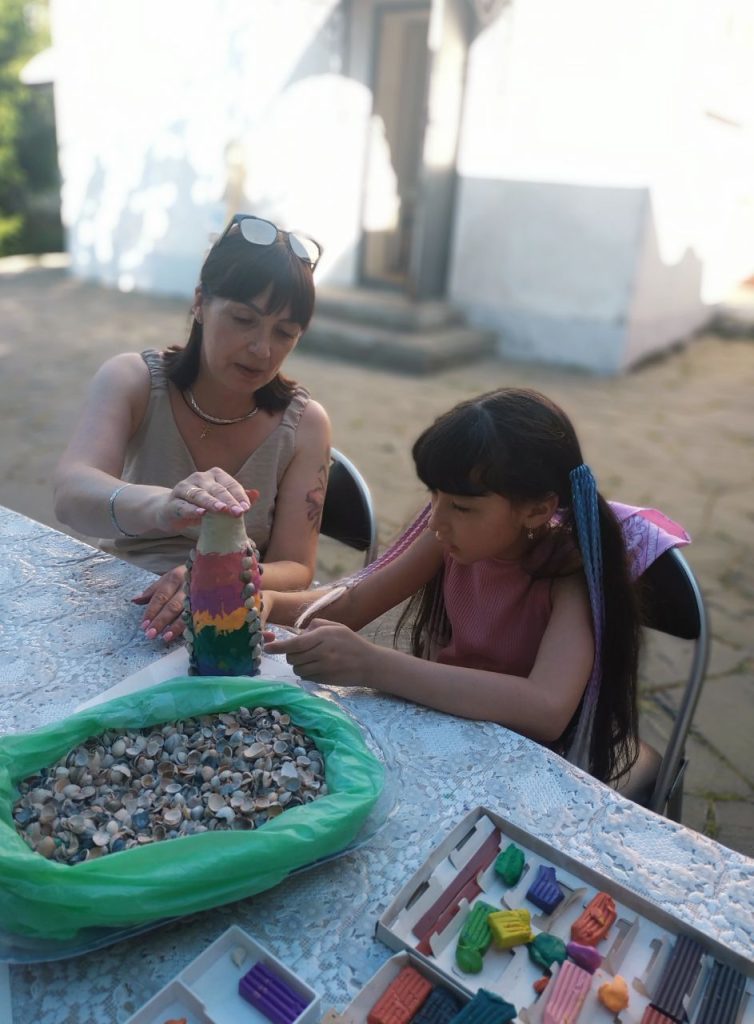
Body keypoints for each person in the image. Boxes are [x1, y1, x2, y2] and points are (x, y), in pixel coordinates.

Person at [264, 387, 645, 785]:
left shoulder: (568, 573)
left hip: (524, 766)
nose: (434, 521)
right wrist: (266, 601)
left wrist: (372, 665)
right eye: (434, 496)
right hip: (443, 728)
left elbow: (546, 709)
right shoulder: (447, 537)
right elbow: (354, 604)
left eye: (462, 507)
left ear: (536, 510)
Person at [53, 214, 331, 644]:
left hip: (232, 618)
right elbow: (70, 493)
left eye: (285, 332)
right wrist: (163, 505)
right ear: (200, 302)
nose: (261, 349)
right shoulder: (134, 380)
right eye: (243, 319)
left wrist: (219, 575)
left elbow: (297, 568)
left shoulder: (306, 425)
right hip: (121, 602)